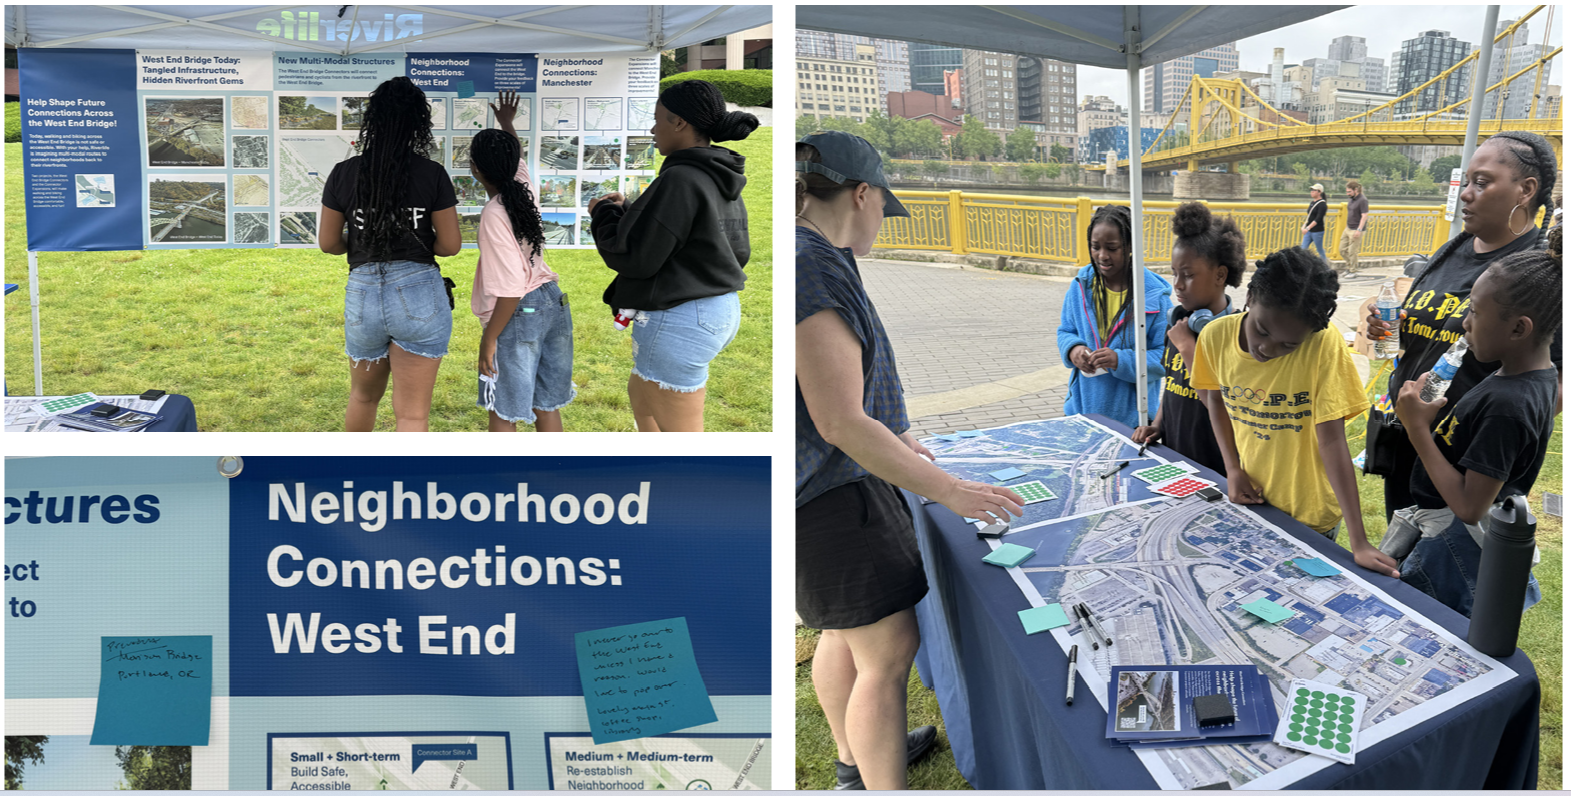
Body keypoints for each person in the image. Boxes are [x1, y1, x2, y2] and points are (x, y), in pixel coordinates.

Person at [796, 130, 1025, 790]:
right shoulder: (810, 264)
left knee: (844, 636)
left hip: (828, 489)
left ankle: (853, 761)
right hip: (832, 500)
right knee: (886, 653)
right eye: (880, 206)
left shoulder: (815, 251)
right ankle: (876, 777)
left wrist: (896, 443)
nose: (880, 222)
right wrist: (948, 489)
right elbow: (838, 420)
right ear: (861, 193)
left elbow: (842, 401)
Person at [1365, 131, 1560, 519]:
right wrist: (1392, 330)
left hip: (1463, 460)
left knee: (1444, 569)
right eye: (1466, 181)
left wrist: (1491, 438)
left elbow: (1549, 383)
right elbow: (1430, 331)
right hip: (1408, 438)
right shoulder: (1451, 249)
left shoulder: (1539, 274)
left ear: (1526, 190)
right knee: (1401, 561)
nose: (1467, 193)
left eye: (1482, 182)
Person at [1191, 246, 1398, 577]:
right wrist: (1232, 468)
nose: (1267, 349)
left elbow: (1332, 441)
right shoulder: (1215, 338)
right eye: (1261, 330)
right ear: (1250, 297)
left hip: (1312, 515)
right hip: (1255, 501)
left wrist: (1359, 542)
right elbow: (1213, 399)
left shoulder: (1322, 344)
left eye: (1289, 345)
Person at [1391, 228, 1560, 616]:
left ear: (1518, 328)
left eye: (1475, 313)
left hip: (1456, 546)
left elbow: (1470, 506)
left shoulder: (1510, 404)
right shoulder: (1525, 374)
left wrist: (1417, 428)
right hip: (1449, 534)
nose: (1464, 323)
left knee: (1431, 630)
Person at [588, 79, 757, 432]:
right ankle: (655, 480)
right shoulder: (716, 173)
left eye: (657, 119)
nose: (652, 129)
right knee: (642, 396)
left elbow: (635, 257)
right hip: (715, 308)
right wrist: (630, 211)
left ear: (679, 122)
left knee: (684, 442)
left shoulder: (681, 177)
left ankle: (680, 487)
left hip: (681, 315)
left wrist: (603, 214)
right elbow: (713, 241)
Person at [319, 76, 460, 432]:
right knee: (412, 414)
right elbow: (450, 245)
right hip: (419, 292)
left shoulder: (343, 173)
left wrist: (365, 240)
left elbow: (328, 243)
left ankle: (353, 482)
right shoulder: (432, 174)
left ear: (372, 120)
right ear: (419, 124)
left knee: (363, 397)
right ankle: (406, 487)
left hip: (363, 291)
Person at [468, 91, 574, 432]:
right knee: (545, 402)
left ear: (474, 169)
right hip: (552, 301)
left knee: (503, 407)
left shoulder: (494, 213)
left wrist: (490, 338)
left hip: (519, 309)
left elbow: (511, 288)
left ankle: (505, 484)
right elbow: (517, 160)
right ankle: (557, 478)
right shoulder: (523, 190)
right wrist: (506, 124)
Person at [1132, 202, 1245, 474]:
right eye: (1174, 274)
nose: (1178, 285)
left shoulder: (1235, 335)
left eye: (1189, 275)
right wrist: (1158, 424)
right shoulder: (1179, 324)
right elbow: (1172, 385)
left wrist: (1188, 349)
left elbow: (1221, 406)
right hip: (1174, 456)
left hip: (1214, 466)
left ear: (1220, 274)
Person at [1056, 205, 1172, 429]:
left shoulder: (1154, 297)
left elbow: (1165, 357)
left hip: (1135, 421)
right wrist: (1073, 349)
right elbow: (1066, 331)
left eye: (1112, 248)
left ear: (1129, 247)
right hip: (1081, 414)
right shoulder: (1081, 286)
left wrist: (1121, 360)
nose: (1102, 256)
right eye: (1095, 247)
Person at [1340, 179, 1369, 273]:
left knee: (1352, 251)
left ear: (1356, 190)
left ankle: (1353, 270)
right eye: (1347, 191)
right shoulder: (1351, 199)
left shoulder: (1363, 200)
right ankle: (1349, 266)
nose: (1347, 193)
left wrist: (1359, 230)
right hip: (1348, 228)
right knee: (1342, 250)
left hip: (1357, 229)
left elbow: (1364, 216)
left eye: (1349, 191)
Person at [1300, 183, 1328, 262]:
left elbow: (1317, 219)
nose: (1312, 192)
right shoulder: (1312, 202)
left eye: (1314, 190)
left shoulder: (1322, 204)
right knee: (1303, 249)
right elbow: (1309, 216)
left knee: (1319, 249)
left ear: (1319, 192)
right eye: (1311, 190)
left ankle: (1325, 265)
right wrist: (1304, 226)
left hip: (1317, 231)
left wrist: (1307, 228)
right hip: (1309, 231)